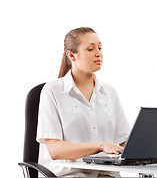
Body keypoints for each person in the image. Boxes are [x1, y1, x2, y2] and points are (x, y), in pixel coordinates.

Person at [36, 27, 130, 177]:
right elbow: (55, 150)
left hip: (107, 175)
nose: (98, 53)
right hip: (69, 175)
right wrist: (100, 146)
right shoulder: (52, 91)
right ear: (71, 55)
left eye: (99, 48)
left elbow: (125, 141)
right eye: (90, 49)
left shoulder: (109, 92)